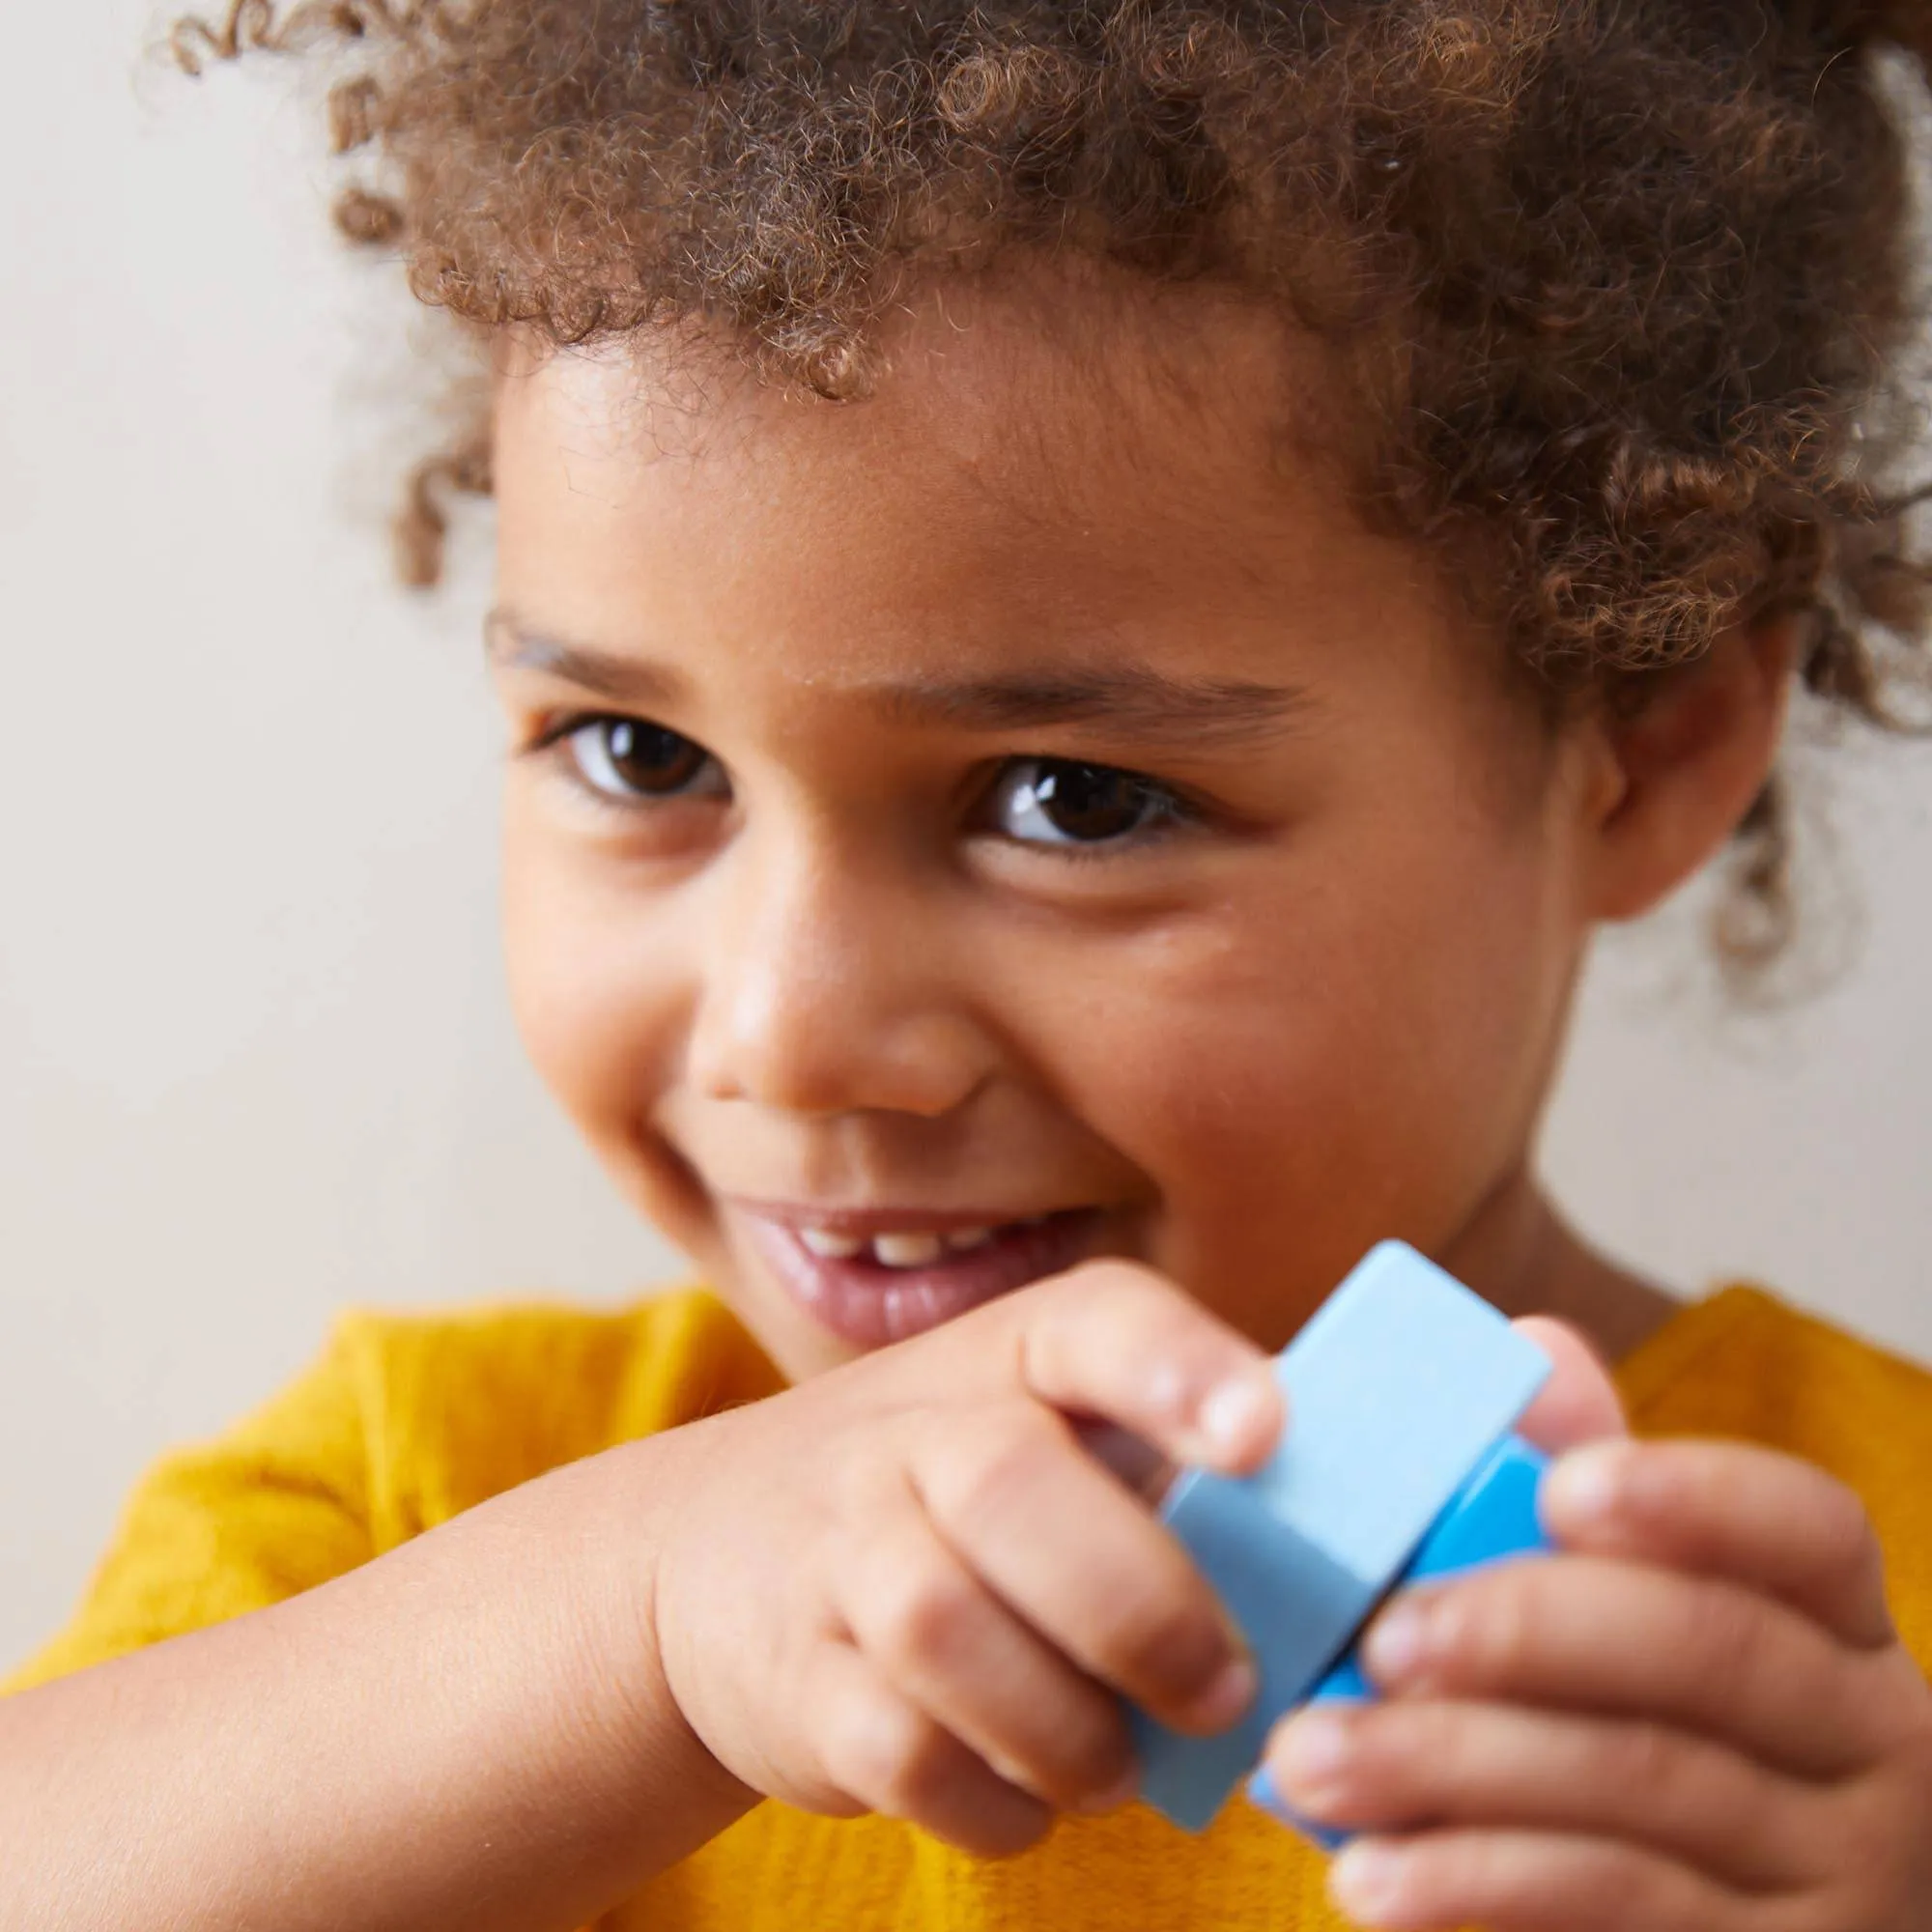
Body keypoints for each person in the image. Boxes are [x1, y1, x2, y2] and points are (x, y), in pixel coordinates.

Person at [4, 0, 1931, 1926]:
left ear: (1652, 737)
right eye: (639, 755)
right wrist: (646, 1634)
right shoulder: (415, 1516)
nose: (793, 1038)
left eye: (1074, 801)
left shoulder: (1865, 1668)